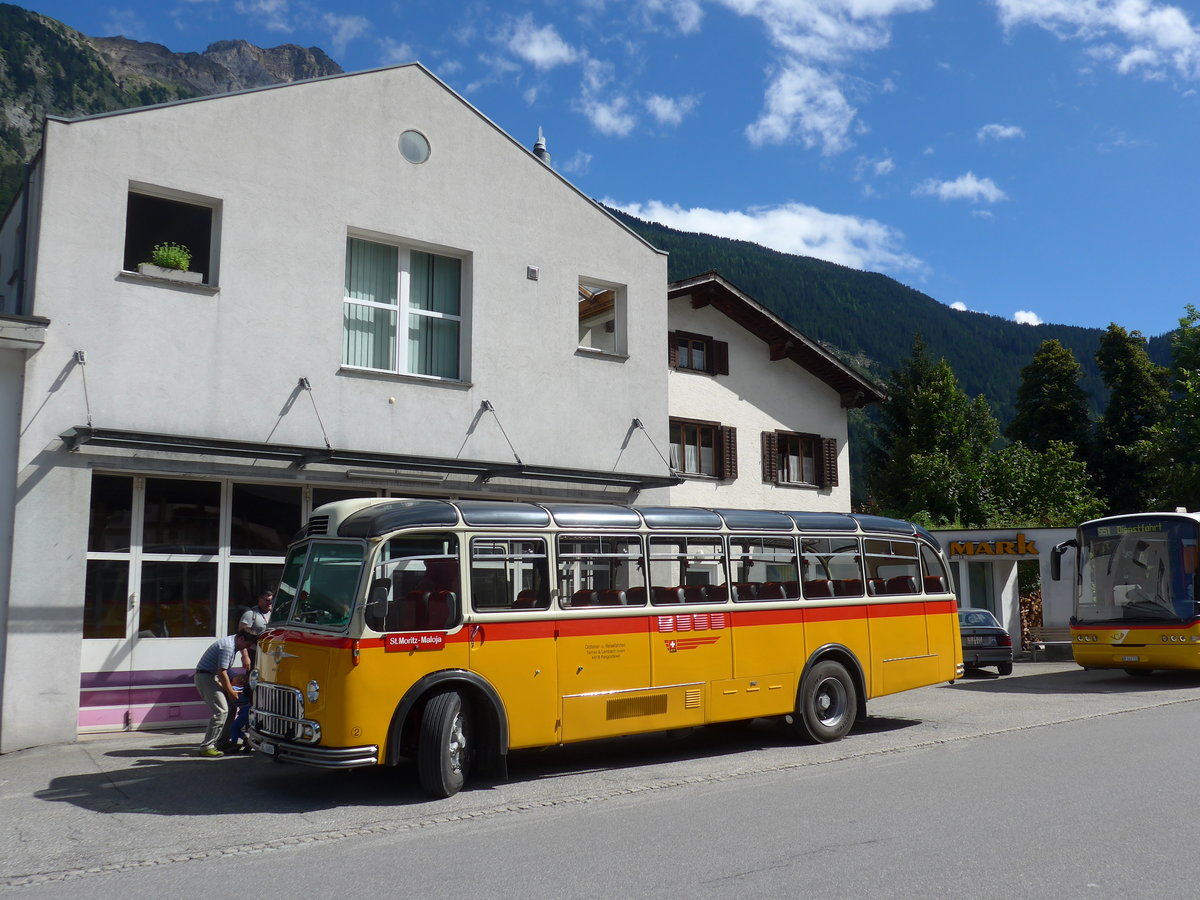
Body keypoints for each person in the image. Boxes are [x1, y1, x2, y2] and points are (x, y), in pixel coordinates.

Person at [194, 629, 257, 758]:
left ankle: (222, 742)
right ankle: (207, 746)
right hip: (205, 677)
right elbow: (222, 673)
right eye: (247, 645)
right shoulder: (227, 647)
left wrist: (245, 656)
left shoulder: (234, 641)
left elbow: (224, 672)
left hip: (210, 676)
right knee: (221, 711)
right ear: (241, 639)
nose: (247, 648)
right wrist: (231, 691)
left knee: (231, 707)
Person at [237, 589, 273, 670]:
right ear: (260, 600)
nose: (270, 603)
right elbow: (241, 638)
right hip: (254, 653)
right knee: (252, 678)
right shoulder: (250, 614)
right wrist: (245, 656)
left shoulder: (274, 614)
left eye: (271, 600)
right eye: (267, 600)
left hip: (270, 653)